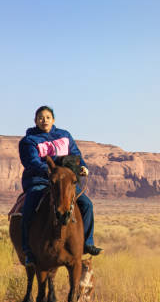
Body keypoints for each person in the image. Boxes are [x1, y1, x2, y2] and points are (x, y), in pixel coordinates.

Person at [19, 105, 102, 267]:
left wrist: (82, 166)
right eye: (41, 118)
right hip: (39, 180)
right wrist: (52, 171)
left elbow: (76, 154)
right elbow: (31, 161)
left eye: (48, 117)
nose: (44, 120)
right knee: (28, 208)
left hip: (64, 182)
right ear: (35, 121)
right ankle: (27, 250)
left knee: (86, 204)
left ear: (53, 120)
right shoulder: (28, 141)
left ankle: (87, 242)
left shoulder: (64, 135)